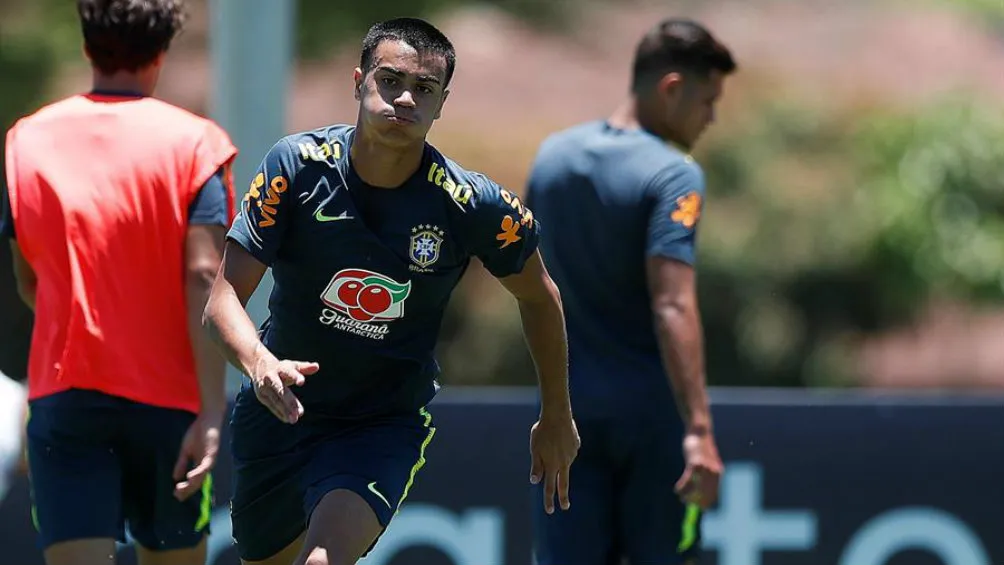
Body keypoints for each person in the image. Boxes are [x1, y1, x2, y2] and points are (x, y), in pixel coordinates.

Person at [203, 17, 580, 565]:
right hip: (279, 411)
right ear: (359, 82)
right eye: (390, 80)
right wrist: (260, 364)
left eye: (424, 89)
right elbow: (220, 302)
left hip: (379, 424)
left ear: (442, 103)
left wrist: (556, 413)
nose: (405, 98)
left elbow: (540, 296)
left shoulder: (472, 205)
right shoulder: (296, 167)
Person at [1, 1, 238, 563]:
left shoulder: (25, 140)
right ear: (161, 53)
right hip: (170, 406)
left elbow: (28, 279)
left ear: (87, 47)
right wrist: (210, 411)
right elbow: (204, 274)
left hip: (65, 398)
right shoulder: (198, 143)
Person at [524, 18, 737, 565]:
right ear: (671, 88)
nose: (711, 117)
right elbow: (672, 303)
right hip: (650, 421)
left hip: (564, 416)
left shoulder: (551, 159)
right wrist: (699, 429)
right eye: (707, 101)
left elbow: (528, 287)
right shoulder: (673, 175)